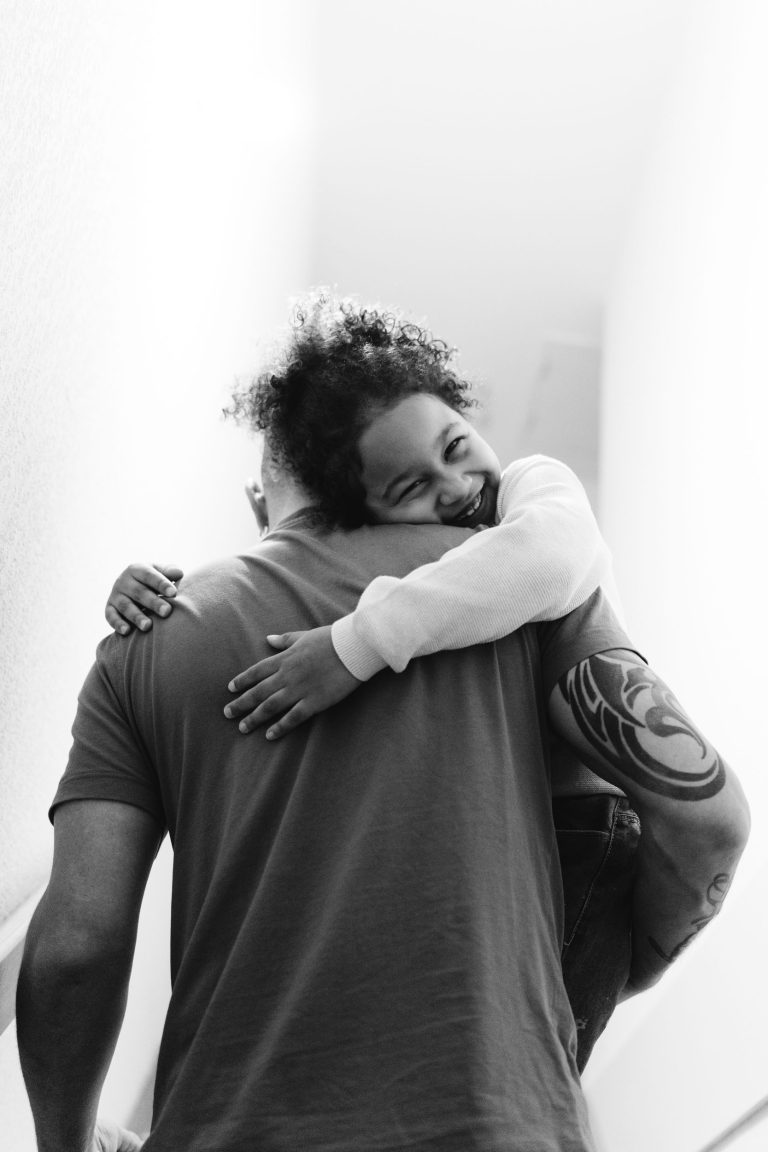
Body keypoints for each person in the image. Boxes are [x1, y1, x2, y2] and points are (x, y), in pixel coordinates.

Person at [104, 292, 632, 1065]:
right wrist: (136, 590)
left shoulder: (534, 490)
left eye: (456, 445)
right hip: (499, 859)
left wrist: (353, 646)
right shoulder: (425, 561)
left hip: (586, 838)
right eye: (410, 489)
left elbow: (547, 558)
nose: (454, 487)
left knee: (523, 1057)